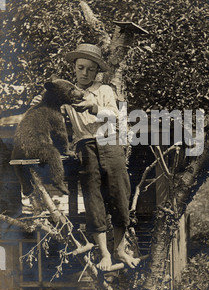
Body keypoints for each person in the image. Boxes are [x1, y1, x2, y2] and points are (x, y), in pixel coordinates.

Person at [36, 44, 140, 270]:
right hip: (86, 148)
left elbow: (115, 116)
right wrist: (38, 103)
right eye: (81, 67)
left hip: (110, 143)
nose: (85, 73)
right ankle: (105, 254)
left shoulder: (104, 91)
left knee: (120, 197)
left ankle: (120, 250)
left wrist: (94, 107)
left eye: (91, 69)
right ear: (74, 68)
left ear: (96, 72)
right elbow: (47, 108)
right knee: (94, 200)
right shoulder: (66, 93)